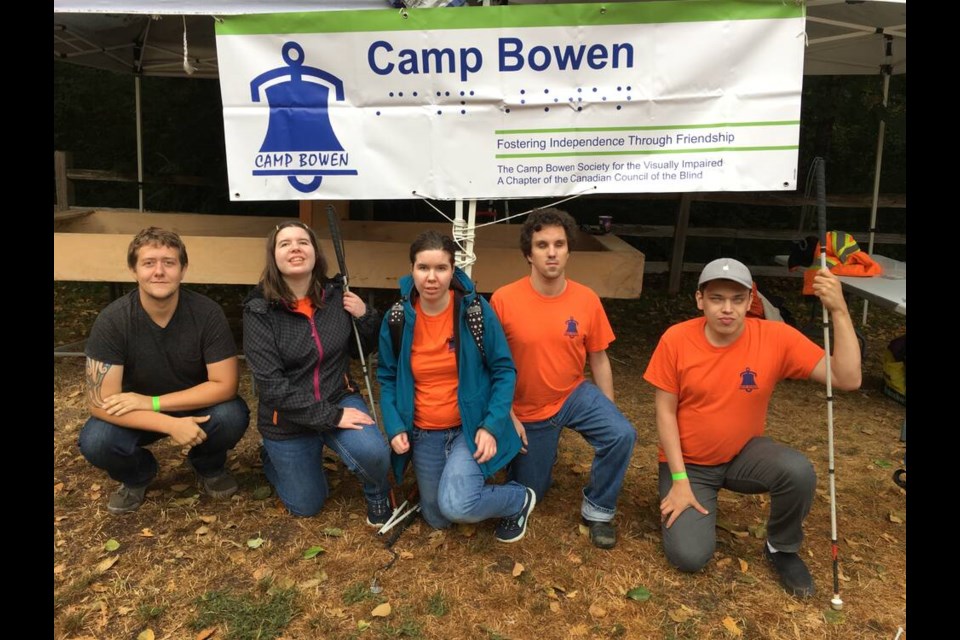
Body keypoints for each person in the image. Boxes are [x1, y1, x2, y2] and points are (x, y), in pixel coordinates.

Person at [643, 258, 862, 597]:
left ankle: (781, 547)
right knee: (689, 557)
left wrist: (840, 311)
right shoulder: (676, 339)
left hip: (744, 453)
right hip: (690, 466)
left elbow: (847, 378)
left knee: (797, 471)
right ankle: (684, 502)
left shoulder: (775, 337)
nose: (726, 309)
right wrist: (680, 480)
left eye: (737, 299)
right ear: (700, 300)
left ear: (750, 301)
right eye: (716, 298)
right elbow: (664, 412)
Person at [490, 209, 637, 549]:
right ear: (529, 253)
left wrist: (609, 410)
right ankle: (536, 456)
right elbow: (490, 368)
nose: (552, 252)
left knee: (621, 434)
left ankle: (599, 510)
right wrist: (506, 415)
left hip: (573, 394)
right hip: (526, 409)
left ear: (569, 250)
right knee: (532, 492)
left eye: (559, 244)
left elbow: (599, 357)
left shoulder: (586, 299)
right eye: (542, 245)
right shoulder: (503, 300)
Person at [79, 227, 250, 515]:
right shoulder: (113, 320)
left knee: (232, 415)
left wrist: (154, 402)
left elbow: (225, 385)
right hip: (134, 413)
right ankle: (137, 475)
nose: (159, 271)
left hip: (192, 406)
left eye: (169, 262)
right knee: (97, 441)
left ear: (183, 269)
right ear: (134, 270)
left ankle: (208, 466)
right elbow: (99, 402)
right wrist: (169, 424)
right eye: (148, 263)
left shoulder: (207, 314)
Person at [378, 231, 535, 542]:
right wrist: (395, 426)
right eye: (423, 268)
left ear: (453, 270)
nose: (432, 277)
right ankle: (459, 482)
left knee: (458, 505)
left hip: (469, 427)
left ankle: (519, 498)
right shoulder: (396, 318)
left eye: (441, 268)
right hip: (424, 432)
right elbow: (386, 375)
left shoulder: (474, 311)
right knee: (438, 518)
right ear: (412, 269)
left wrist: (491, 425)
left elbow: (504, 369)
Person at [242, 221, 391, 524]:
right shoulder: (259, 310)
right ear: (274, 256)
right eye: (285, 243)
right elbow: (270, 385)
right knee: (306, 505)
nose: (295, 248)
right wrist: (330, 418)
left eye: (303, 242)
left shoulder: (337, 297)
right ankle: (272, 456)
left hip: (338, 397)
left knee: (375, 452)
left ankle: (378, 493)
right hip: (287, 418)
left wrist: (365, 317)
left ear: (315, 253)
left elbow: (362, 348)